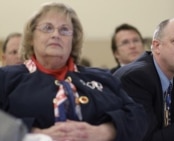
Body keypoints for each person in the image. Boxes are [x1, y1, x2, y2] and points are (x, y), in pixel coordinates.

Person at [0, 2, 147, 141]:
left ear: (73, 40)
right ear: (31, 38)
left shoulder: (103, 78)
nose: (55, 34)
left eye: (64, 30)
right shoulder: (7, 78)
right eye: (47, 28)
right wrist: (34, 134)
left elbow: (138, 116)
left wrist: (105, 131)